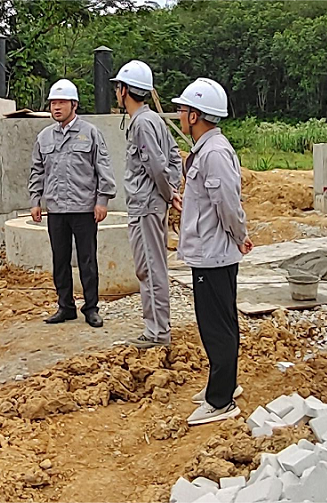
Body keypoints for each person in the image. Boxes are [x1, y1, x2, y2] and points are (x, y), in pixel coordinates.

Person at [172, 78, 253, 426]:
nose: (179, 115)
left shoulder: (214, 153)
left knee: (216, 327)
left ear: (195, 115)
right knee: (220, 321)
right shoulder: (206, 149)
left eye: (182, 110)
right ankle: (225, 383)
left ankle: (220, 400)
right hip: (209, 251)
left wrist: (240, 235)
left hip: (214, 254)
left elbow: (227, 204)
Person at [29, 79, 116, 328]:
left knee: (87, 260)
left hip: (84, 208)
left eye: (61, 103)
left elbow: (103, 167)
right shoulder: (44, 136)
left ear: (74, 105)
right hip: (56, 210)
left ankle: (91, 308)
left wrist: (102, 201)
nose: (56, 107)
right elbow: (37, 170)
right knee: (60, 260)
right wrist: (35, 200)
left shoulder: (90, 133)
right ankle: (65, 306)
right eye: (53, 103)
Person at [111, 60, 182, 349]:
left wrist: (167, 194)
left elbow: (156, 164)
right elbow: (174, 156)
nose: (117, 92)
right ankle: (157, 328)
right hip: (151, 204)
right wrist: (172, 190)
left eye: (118, 87)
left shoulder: (141, 123)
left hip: (145, 206)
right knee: (152, 266)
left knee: (150, 268)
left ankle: (157, 332)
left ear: (125, 90)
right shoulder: (154, 120)